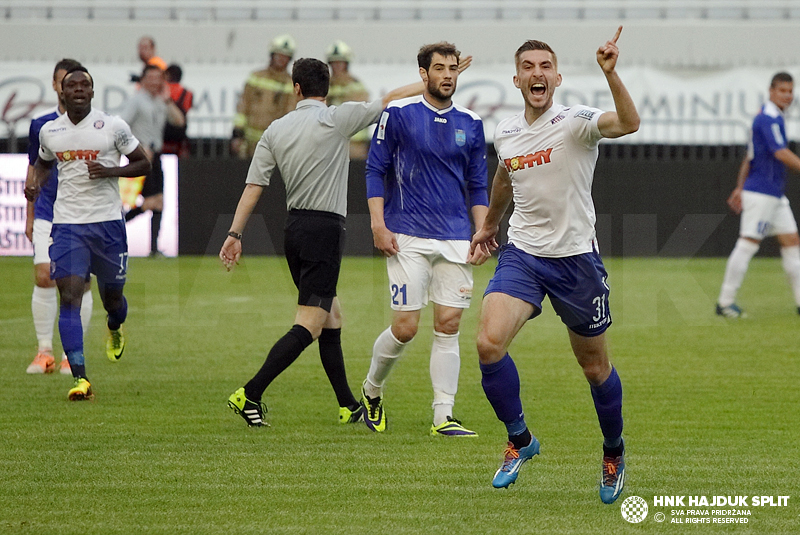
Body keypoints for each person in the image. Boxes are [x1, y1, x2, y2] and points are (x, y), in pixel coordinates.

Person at [469, 27, 639, 503]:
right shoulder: (505, 131)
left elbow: (629, 123)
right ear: (517, 80)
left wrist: (611, 73)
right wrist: (488, 225)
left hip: (576, 261)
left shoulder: (574, 121)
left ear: (557, 77)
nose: (537, 73)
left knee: (594, 367)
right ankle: (521, 441)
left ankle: (613, 452)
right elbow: (505, 175)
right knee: (487, 343)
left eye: (545, 66)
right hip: (523, 254)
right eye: (528, 67)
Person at [220, 57, 431, 428]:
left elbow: (254, 187)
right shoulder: (337, 118)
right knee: (310, 324)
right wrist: (431, 81)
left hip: (295, 230)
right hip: (324, 230)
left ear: (296, 88)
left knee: (331, 316)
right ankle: (250, 393)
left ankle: (347, 405)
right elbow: (389, 99)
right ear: (327, 88)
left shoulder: (275, 129)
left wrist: (234, 234)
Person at [360, 42, 488, 437]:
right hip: (406, 234)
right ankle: (371, 389)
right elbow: (374, 169)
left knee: (448, 325)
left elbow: (478, 184)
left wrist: (481, 231)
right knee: (406, 327)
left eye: (452, 68)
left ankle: (442, 416)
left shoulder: (471, 122)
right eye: (439, 68)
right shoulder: (398, 114)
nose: (447, 75)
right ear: (423, 74)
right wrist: (378, 225)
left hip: (454, 237)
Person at [25, 66, 151, 400]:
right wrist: (35, 182)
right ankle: (80, 378)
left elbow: (144, 163)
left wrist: (111, 171)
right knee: (69, 295)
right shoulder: (50, 131)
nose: (79, 89)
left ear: (93, 93)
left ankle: (114, 326)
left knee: (113, 299)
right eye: (72, 85)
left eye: (86, 84)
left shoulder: (113, 126)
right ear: (62, 93)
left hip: (108, 225)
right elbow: (44, 161)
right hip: (67, 226)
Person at [24, 59, 94, 376]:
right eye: (64, 81)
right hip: (47, 212)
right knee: (43, 276)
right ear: (56, 86)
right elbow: (33, 171)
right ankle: (44, 352)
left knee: (79, 285)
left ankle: (71, 354)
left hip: (81, 215)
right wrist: (29, 215)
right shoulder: (41, 126)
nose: (70, 87)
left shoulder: (97, 125)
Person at [717, 72, 800, 318]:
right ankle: (724, 303)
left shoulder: (771, 118)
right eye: (783, 90)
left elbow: (750, 157)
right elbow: (781, 153)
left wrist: (740, 187)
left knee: (792, 244)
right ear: (771, 91)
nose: (787, 95)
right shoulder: (767, 119)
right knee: (748, 244)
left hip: (773, 194)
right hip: (763, 193)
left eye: (790, 91)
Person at [120, 64, 186, 257]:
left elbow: (179, 121)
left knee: (160, 201)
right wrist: (136, 148)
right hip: (141, 155)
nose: (154, 81)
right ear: (143, 79)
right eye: (150, 77)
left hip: (156, 155)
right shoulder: (136, 101)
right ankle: (112, 227)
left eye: (158, 77)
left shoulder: (160, 101)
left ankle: (154, 248)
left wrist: (168, 101)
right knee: (152, 201)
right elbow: (122, 125)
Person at [231, 34, 297, 159]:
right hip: (249, 144)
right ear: (272, 55)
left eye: (285, 57)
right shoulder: (256, 77)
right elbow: (243, 104)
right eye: (279, 55)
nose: (281, 60)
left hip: (275, 145)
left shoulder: (292, 84)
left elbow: (291, 114)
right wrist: (237, 133)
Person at [325, 40, 370, 159]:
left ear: (346, 63)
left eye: (340, 62)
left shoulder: (356, 86)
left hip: (354, 146)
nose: (337, 66)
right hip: (329, 145)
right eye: (334, 63)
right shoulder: (324, 86)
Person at [162, 63, 193, 158]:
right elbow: (186, 110)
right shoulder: (187, 93)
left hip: (162, 132)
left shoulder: (162, 90)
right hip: (179, 135)